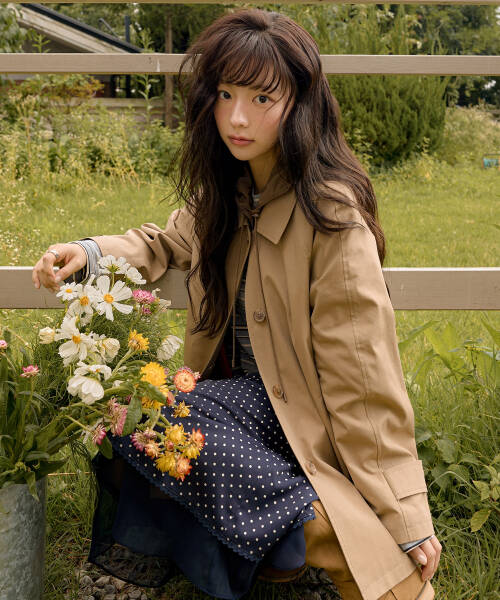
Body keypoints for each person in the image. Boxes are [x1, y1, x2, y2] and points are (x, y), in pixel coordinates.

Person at [32, 8, 442, 600]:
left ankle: (339, 546)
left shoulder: (331, 216)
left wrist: (404, 510)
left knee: (164, 419)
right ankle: (306, 537)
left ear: (300, 104)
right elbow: (164, 242)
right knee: (134, 409)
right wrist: (90, 253)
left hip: (303, 423)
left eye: (261, 98)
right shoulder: (231, 191)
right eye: (225, 94)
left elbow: (364, 375)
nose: (237, 117)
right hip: (241, 414)